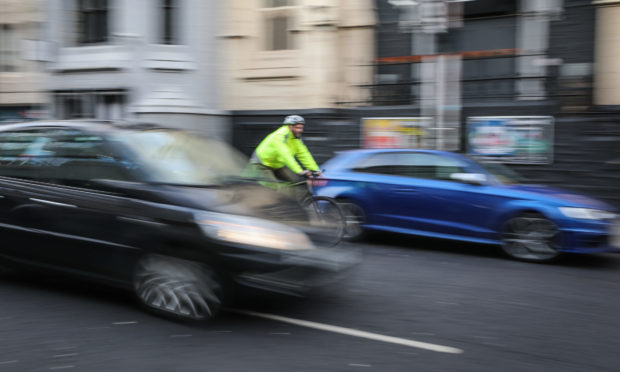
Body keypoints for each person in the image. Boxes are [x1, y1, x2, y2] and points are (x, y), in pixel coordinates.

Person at [249, 115, 321, 186]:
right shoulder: (279, 136)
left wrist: (315, 170)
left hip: (277, 165)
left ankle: (286, 197)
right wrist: (300, 171)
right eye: (298, 128)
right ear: (290, 127)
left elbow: (304, 154)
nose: (301, 130)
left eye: (301, 128)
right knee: (272, 187)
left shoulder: (295, 138)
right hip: (262, 164)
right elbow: (286, 155)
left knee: (294, 183)